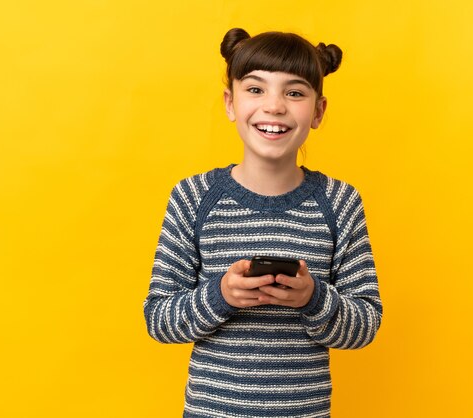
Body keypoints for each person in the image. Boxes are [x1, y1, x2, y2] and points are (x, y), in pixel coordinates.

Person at [144, 27, 383, 418]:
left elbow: (366, 325)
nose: (274, 106)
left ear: (319, 110)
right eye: (255, 89)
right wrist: (220, 294)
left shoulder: (340, 203)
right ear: (230, 103)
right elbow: (159, 320)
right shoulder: (192, 197)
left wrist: (313, 298)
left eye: (294, 92)